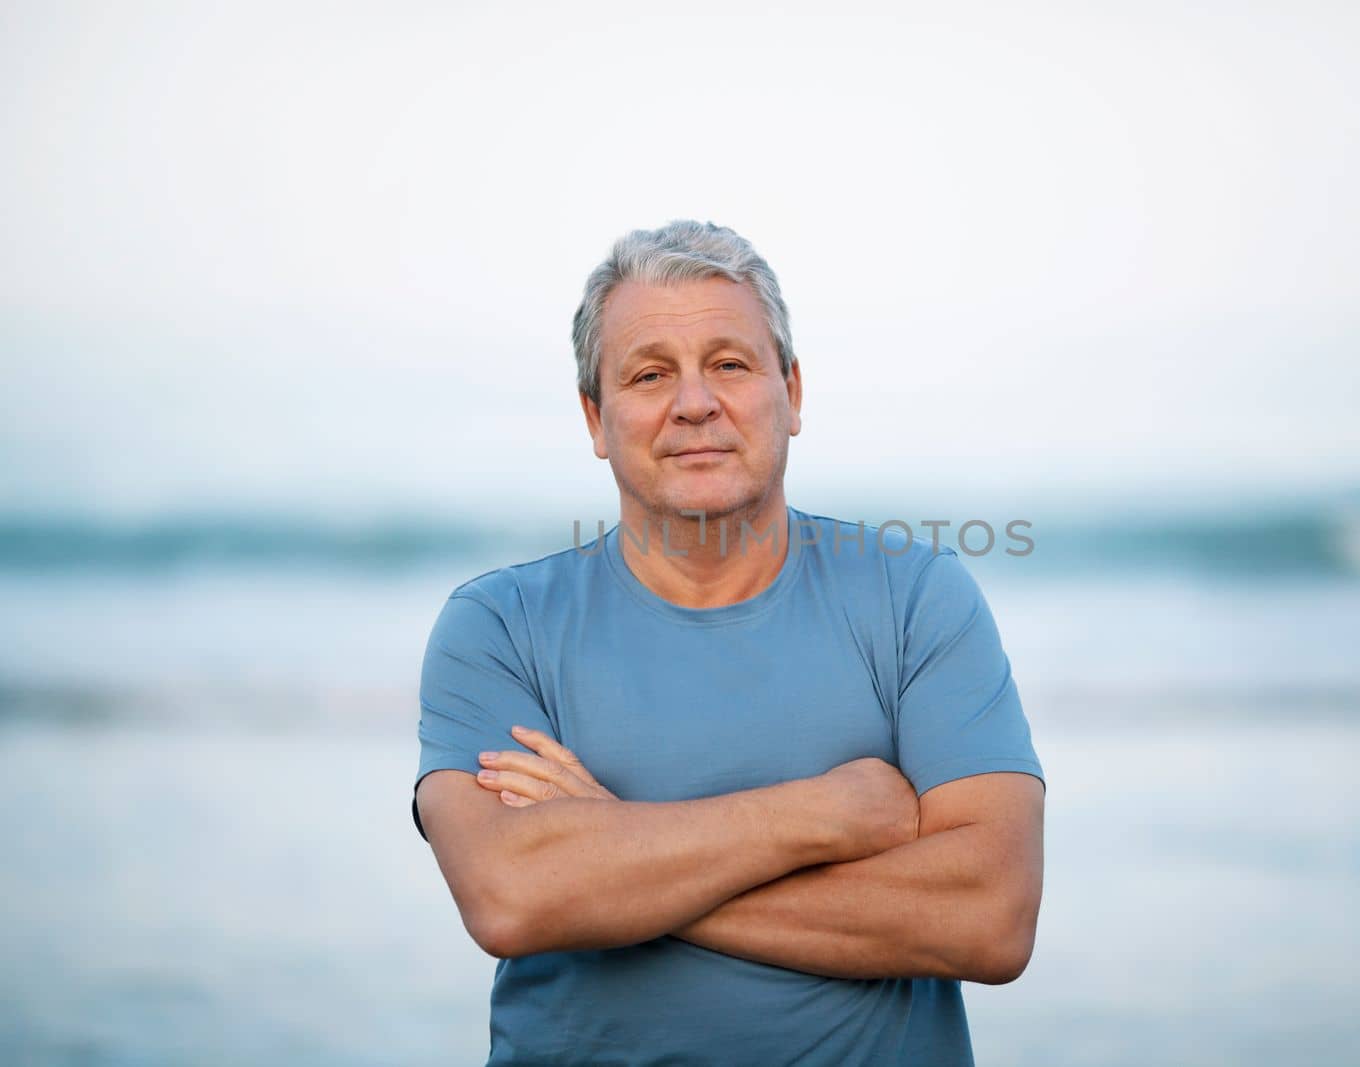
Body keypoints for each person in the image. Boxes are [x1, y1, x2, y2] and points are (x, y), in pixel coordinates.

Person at [411, 219, 1046, 1066]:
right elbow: (512, 897)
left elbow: (990, 916)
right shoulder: (498, 625)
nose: (694, 403)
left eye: (730, 363)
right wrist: (832, 811)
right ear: (596, 418)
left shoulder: (916, 600)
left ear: (792, 392)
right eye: (649, 374)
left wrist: (610, 855)